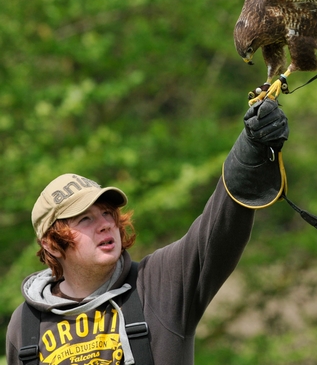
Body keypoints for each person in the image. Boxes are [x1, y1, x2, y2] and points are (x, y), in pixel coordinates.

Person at [6, 99, 289, 365]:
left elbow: (216, 233)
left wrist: (251, 149)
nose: (105, 224)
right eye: (85, 220)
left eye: (107, 213)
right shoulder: (25, 325)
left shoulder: (159, 283)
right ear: (52, 245)